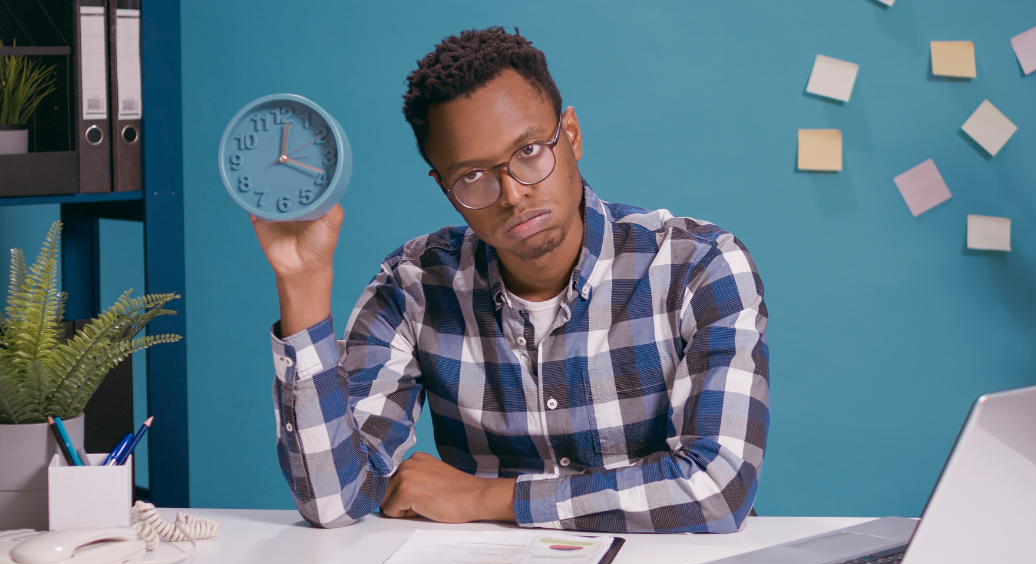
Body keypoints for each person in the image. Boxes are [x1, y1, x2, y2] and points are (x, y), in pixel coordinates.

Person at [253, 27, 769, 533]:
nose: (512, 194)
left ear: (570, 135)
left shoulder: (699, 266)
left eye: (528, 152)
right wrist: (304, 282)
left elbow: (717, 489)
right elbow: (334, 501)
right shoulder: (412, 287)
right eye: (472, 176)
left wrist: (484, 497)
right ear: (444, 187)